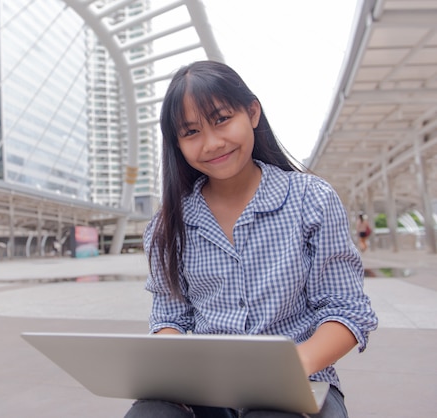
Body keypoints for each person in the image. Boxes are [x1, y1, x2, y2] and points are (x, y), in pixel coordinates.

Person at [124, 61, 378, 418]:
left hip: (299, 385)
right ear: (177, 143)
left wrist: (287, 369)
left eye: (222, 119)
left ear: (253, 112)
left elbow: (346, 310)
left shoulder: (310, 200)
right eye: (192, 131)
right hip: (205, 392)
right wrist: (178, 370)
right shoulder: (168, 226)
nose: (212, 143)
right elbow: (169, 319)